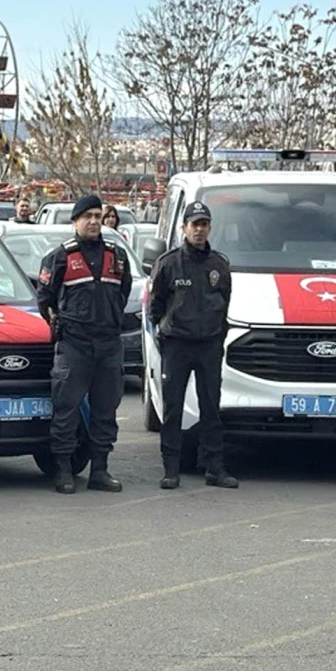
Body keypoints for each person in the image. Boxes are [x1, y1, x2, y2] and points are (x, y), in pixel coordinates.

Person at [37, 194, 130, 494]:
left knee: (106, 410)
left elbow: (123, 293)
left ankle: (99, 471)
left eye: (97, 216)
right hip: (74, 345)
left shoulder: (117, 256)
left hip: (108, 345)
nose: (93, 221)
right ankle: (63, 470)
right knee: (66, 409)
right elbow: (44, 299)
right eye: (86, 216)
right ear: (75, 221)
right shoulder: (60, 257)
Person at [147, 201, 236, 490]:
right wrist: (165, 334)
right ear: (184, 228)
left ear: (210, 228)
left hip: (209, 344)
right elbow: (155, 306)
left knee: (211, 408)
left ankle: (214, 468)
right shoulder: (169, 263)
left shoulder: (219, 264)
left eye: (204, 224)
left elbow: (225, 302)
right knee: (173, 409)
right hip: (177, 345)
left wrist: (218, 337)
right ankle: (171, 470)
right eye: (194, 224)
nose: (199, 229)